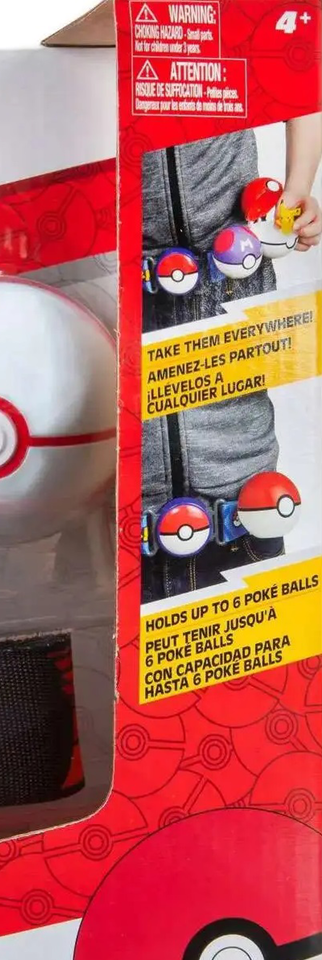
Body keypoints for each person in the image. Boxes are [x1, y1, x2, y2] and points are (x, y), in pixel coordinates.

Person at [141, 116, 321, 603]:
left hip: (230, 273)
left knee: (235, 449)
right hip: (119, 278)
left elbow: (298, 81)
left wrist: (298, 190)